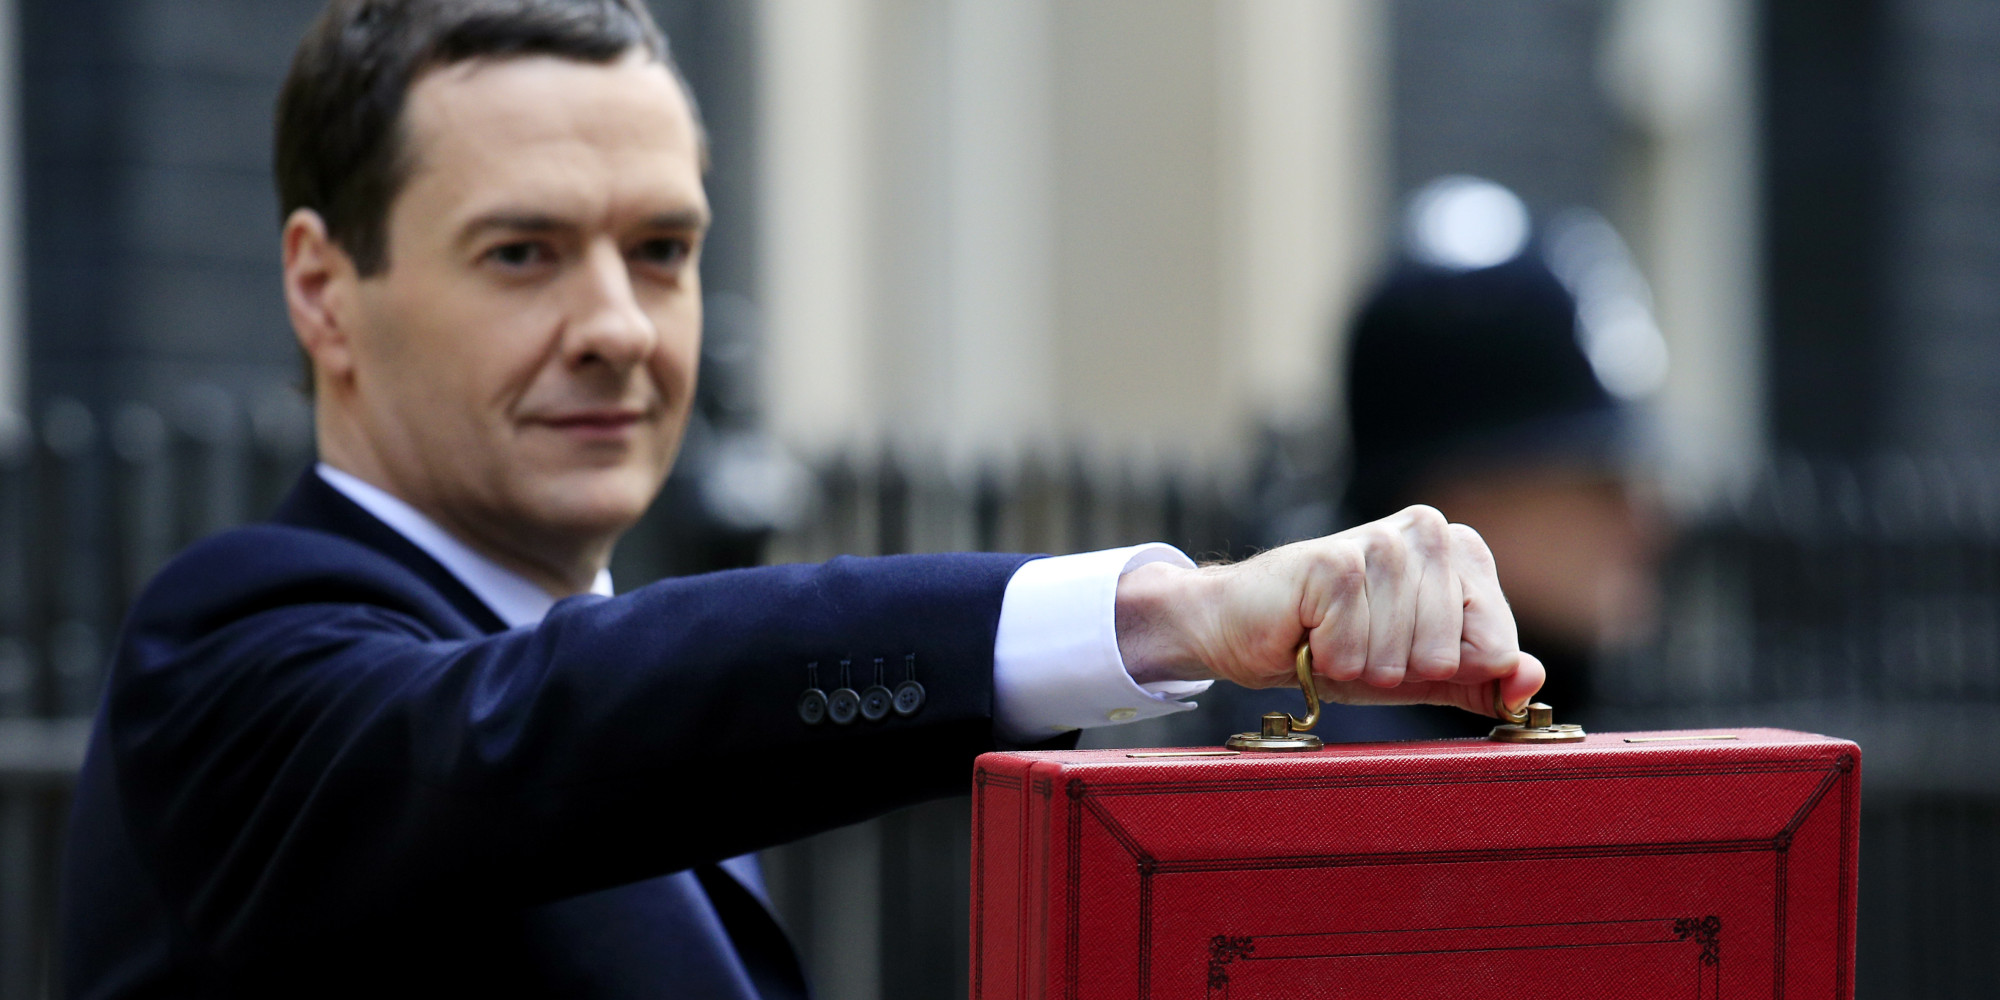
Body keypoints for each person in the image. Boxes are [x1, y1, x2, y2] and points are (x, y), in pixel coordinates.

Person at [57, 4, 1544, 997]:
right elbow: (559, 717)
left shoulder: (639, 699)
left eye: (661, 249)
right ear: (324, 288)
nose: (620, 327)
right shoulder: (231, 656)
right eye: (521, 254)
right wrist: (1167, 611)